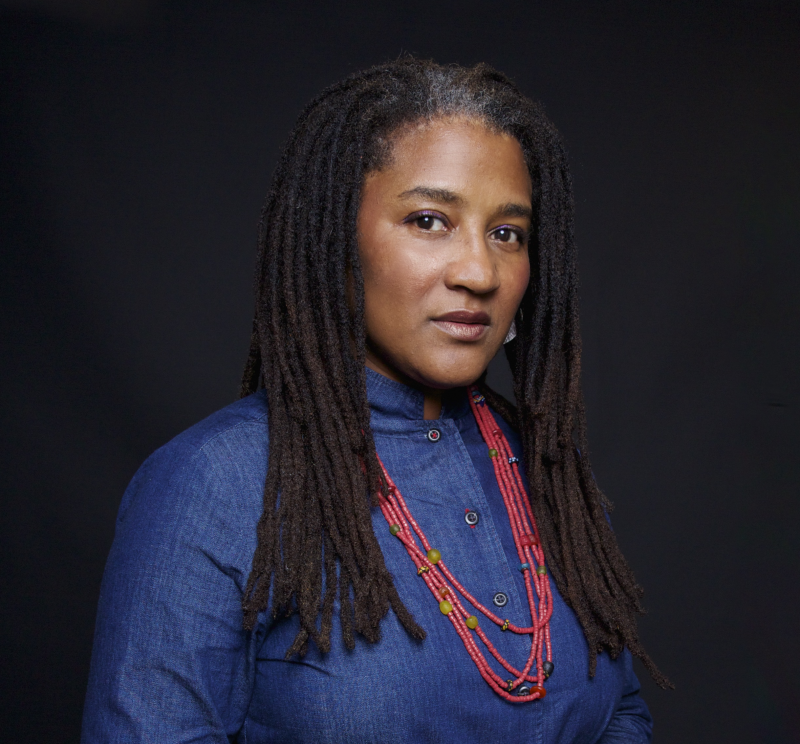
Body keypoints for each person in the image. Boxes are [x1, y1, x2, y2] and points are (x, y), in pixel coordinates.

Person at [82, 58, 668, 743]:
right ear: (337, 240)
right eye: (429, 220)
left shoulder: (544, 469)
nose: (479, 272)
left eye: (507, 233)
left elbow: (621, 713)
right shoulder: (214, 483)